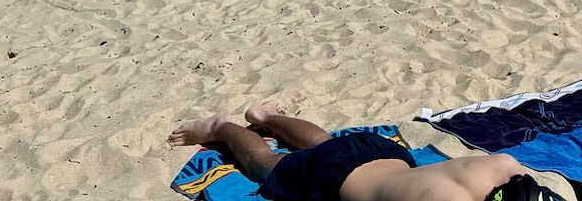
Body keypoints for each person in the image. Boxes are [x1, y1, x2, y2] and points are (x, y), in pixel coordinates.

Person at [168, 104, 521, 201]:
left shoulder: (505, 166)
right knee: (265, 166)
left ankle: (266, 116)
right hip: (333, 178)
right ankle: (221, 127)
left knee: (326, 144)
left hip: (384, 152)